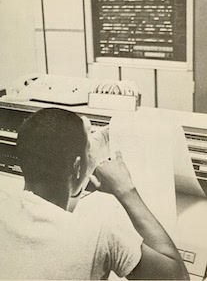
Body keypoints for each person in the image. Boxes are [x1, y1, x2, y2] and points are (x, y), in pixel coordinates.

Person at [0, 107, 189, 280]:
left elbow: (50, 213)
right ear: (76, 167)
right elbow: (177, 277)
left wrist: (82, 161)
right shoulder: (101, 232)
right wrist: (125, 190)